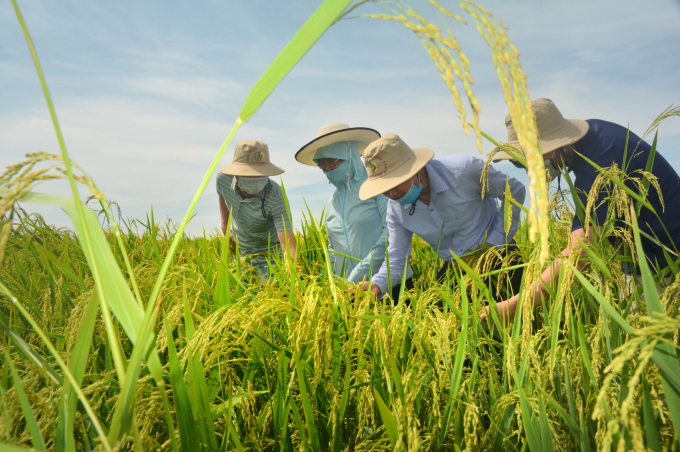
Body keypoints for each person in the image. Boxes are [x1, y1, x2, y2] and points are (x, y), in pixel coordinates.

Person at [484, 98, 680, 322]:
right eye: (520, 163)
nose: (530, 169)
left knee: (647, 345)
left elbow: (580, 252)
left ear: (559, 143)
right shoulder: (595, 138)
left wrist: (515, 306)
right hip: (645, 257)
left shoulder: (604, 161)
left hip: (664, 262)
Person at [358, 133, 526, 301]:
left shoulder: (464, 170)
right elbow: (397, 259)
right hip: (455, 266)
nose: (391, 193)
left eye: (394, 184)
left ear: (414, 169)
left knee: (505, 317)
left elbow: (513, 190)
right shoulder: (395, 211)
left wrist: (494, 242)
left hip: (499, 256)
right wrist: (376, 285)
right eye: (384, 189)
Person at [295, 123, 413, 300]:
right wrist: (323, 281)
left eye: (331, 162)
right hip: (353, 291)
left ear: (348, 156)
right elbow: (334, 248)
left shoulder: (376, 187)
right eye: (322, 165)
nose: (326, 169)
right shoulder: (333, 201)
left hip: (390, 284)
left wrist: (360, 273)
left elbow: (390, 234)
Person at [217, 139, 296, 282]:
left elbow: (288, 244)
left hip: (270, 258)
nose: (254, 179)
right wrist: (226, 226)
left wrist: (290, 277)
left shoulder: (276, 197)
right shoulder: (223, 180)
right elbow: (222, 197)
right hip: (241, 256)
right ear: (236, 174)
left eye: (260, 175)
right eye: (248, 174)